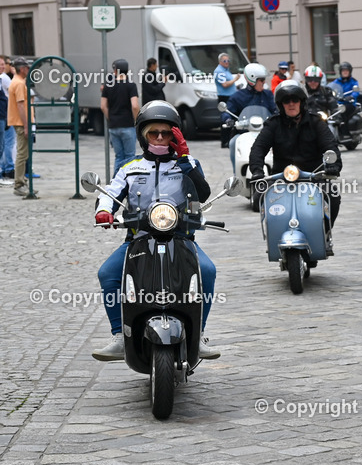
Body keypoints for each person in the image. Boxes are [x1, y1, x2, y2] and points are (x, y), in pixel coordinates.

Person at [91, 101, 220, 361]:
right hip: (138, 239)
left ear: (176, 136)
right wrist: (104, 211)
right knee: (108, 274)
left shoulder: (187, 163)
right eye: (154, 133)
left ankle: (200, 334)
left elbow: (202, 192)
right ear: (143, 136)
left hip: (181, 238)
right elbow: (110, 194)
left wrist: (184, 158)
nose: (160, 137)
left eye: (166, 133)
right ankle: (119, 335)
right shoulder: (130, 168)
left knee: (207, 271)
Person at [248, 81, 343, 244]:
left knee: (333, 195)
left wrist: (333, 166)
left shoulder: (316, 123)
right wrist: (257, 171)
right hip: (281, 178)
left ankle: (325, 232)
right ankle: (274, 234)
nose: (291, 104)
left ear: (302, 102)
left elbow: (330, 146)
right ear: (281, 104)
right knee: (258, 200)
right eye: (286, 101)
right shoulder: (273, 124)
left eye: (295, 100)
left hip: (313, 176)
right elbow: (258, 148)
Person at [222, 63, 276, 171]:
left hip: (265, 132)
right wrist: (228, 119)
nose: (264, 82)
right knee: (233, 143)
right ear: (252, 80)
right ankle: (236, 174)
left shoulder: (268, 95)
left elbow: (275, 110)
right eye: (261, 80)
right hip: (244, 133)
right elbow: (227, 111)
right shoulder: (237, 96)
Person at [101, 59, 141, 174]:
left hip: (113, 126)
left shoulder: (108, 86)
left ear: (115, 71)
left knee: (119, 157)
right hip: (128, 125)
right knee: (129, 157)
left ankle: (116, 184)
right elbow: (134, 106)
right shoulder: (131, 85)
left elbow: (103, 106)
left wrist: (110, 118)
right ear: (127, 71)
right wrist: (137, 120)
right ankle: (128, 182)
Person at [6, 57, 30, 195]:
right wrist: (26, 125)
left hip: (18, 122)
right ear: (21, 69)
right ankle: (19, 184)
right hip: (20, 123)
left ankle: (22, 182)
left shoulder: (16, 81)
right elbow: (21, 106)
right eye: (26, 68)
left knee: (23, 153)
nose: (28, 70)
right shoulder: (19, 83)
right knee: (22, 154)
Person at [214, 53, 241, 148]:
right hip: (224, 97)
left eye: (228, 61)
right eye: (224, 61)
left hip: (230, 97)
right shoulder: (219, 71)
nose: (227, 63)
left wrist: (236, 87)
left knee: (232, 119)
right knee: (226, 120)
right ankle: (225, 141)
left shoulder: (226, 70)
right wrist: (235, 79)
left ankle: (230, 140)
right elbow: (224, 84)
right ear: (220, 62)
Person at [0, 55, 12, 186]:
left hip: (3, 116)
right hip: (1, 116)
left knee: (2, 145)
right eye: (1, 64)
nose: (3, 66)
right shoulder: (4, 79)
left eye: (4, 64)